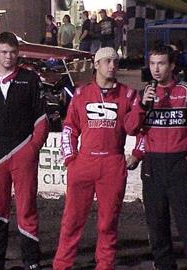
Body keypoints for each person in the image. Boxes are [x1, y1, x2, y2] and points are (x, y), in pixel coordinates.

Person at [125, 45, 187, 270]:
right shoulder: (143, 93)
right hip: (152, 164)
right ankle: (164, 264)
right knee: (156, 221)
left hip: (178, 163)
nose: (156, 69)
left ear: (172, 65)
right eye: (153, 63)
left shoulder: (186, 92)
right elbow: (130, 128)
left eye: (161, 63)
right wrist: (143, 106)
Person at [53, 47, 137, 270]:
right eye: (107, 61)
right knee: (72, 220)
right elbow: (69, 128)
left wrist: (138, 153)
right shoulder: (81, 94)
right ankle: (61, 265)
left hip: (112, 164)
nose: (112, 66)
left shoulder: (128, 95)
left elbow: (142, 128)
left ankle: (105, 265)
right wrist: (71, 160)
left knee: (108, 222)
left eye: (116, 62)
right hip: (84, 163)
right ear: (96, 65)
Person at [0, 32, 49, 270]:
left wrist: (33, 147)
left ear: (18, 53)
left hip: (23, 153)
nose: (8, 56)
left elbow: (42, 117)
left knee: (27, 207)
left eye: (13, 52)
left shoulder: (31, 79)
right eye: (4, 52)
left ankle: (31, 261)